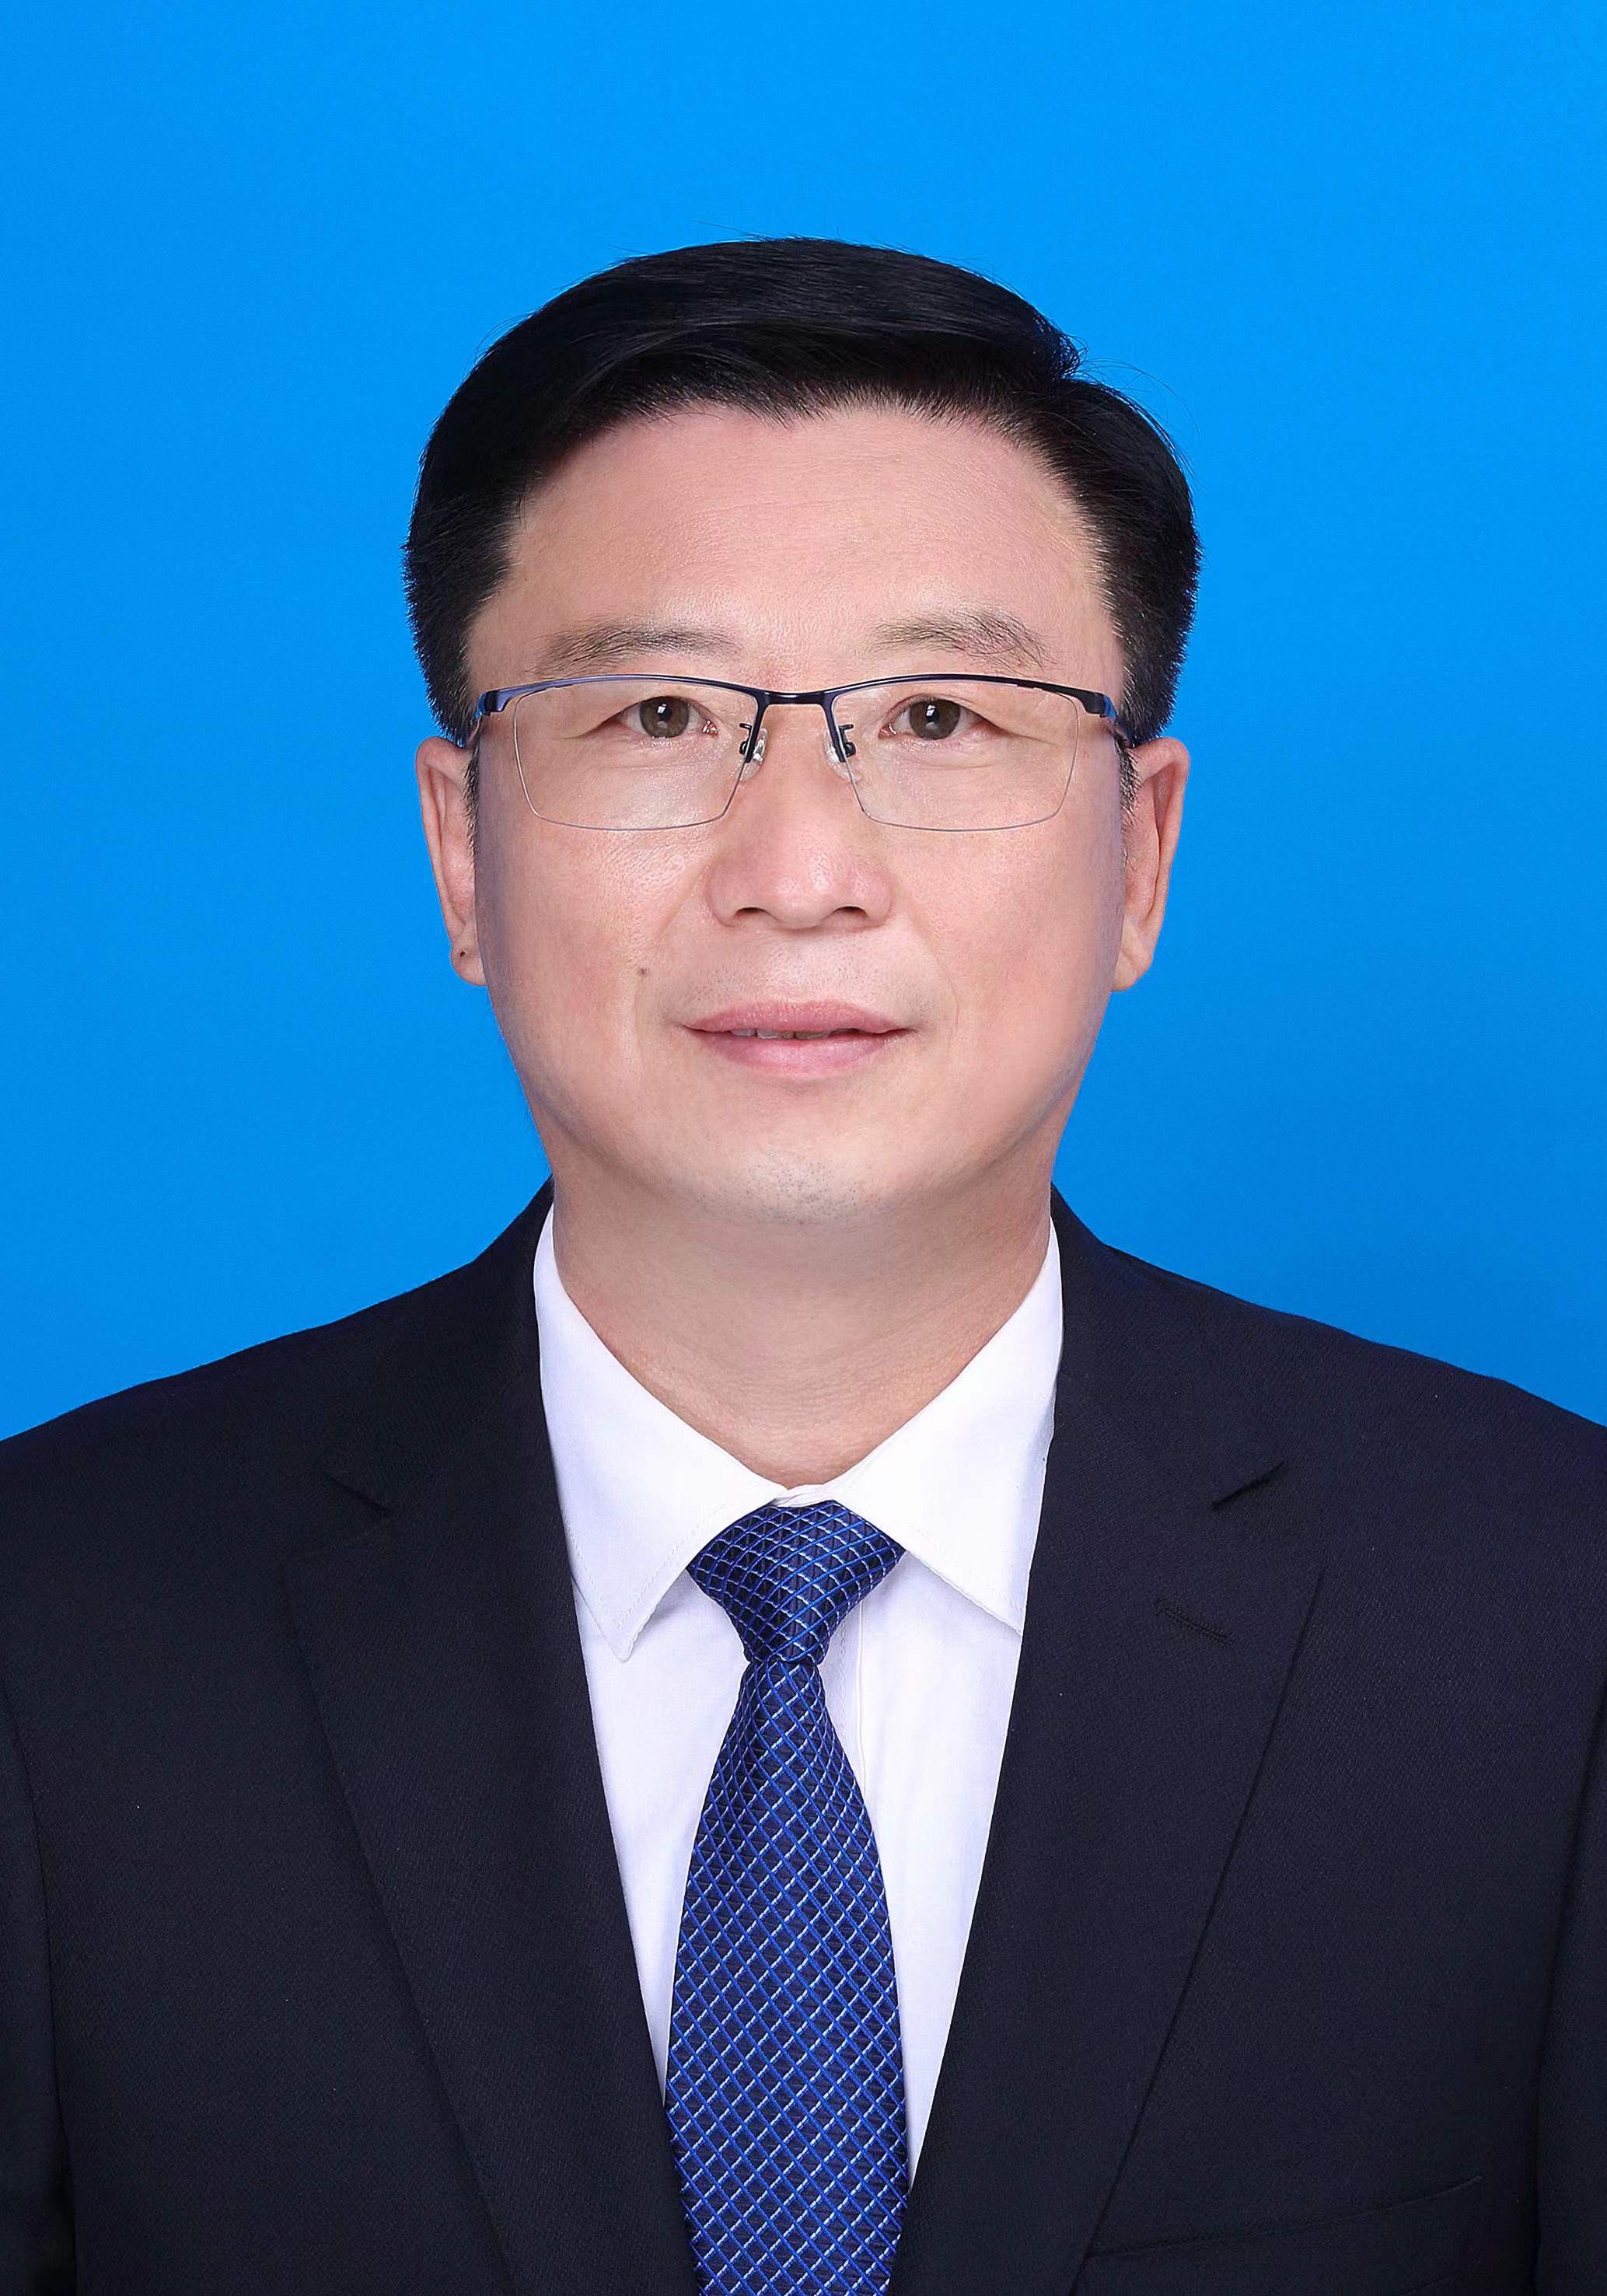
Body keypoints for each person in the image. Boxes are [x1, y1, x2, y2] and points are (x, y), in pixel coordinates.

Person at [2, 234, 1602, 2296]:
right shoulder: (58, 1630)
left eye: (938, 716)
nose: (802, 871)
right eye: (659, 712)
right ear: (463, 851)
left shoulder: (1545, 1620)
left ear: (1142, 853)